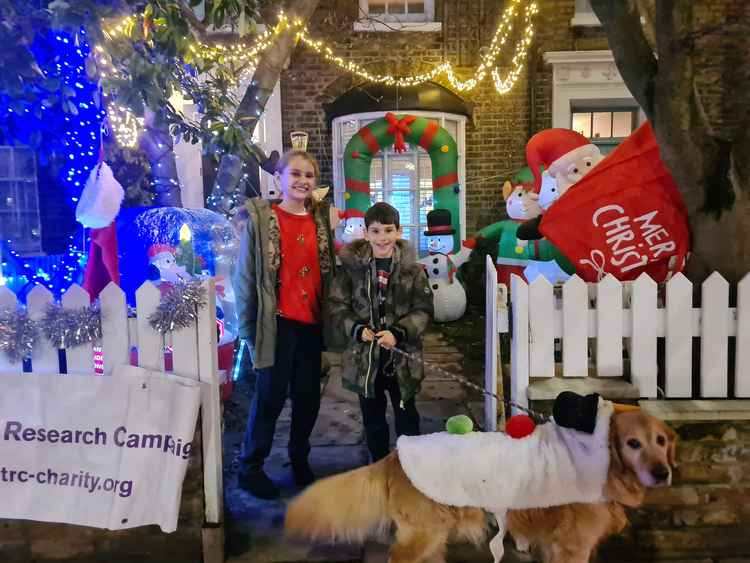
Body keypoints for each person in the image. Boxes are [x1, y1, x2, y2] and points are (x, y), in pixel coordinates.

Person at [232, 150, 337, 499]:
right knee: (269, 399)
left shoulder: (320, 220)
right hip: (276, 326)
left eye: (309, 175)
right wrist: (248, 330)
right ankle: (251, 468)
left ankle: (299, 458)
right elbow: (245, 278)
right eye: (295, 174)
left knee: (308, 399)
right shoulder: (262, 222)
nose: (303, 181)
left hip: (311, 325)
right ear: (279, 178)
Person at [328, 202, 433, 463]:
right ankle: (378, 465)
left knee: (406, 415)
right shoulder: (350, 268)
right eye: (375, 231)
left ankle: (411, 466)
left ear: (399, 232)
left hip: (402, 358)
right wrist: (356, 328)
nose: (382, 237)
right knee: (372, 418)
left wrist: (398, 332)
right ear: (365, 233)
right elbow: (337, 305)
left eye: (389, 230)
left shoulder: (413, 270)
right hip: (365, 360)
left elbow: (424, 309)